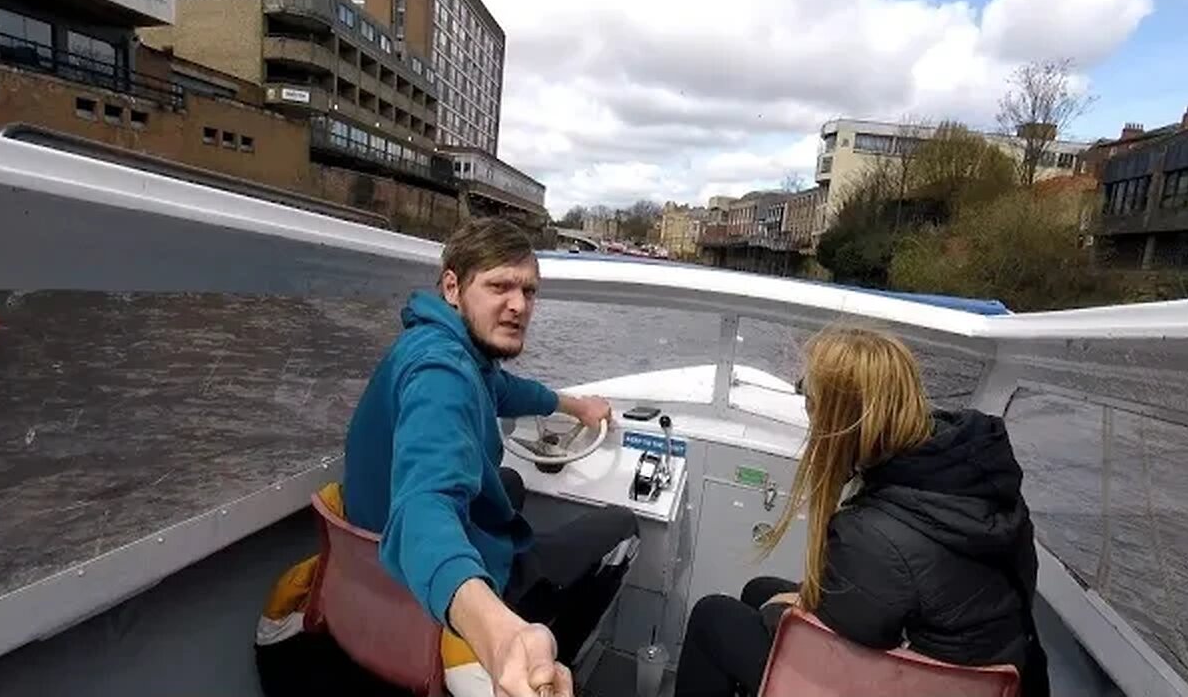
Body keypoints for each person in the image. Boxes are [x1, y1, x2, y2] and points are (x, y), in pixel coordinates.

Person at [255, 218, 638, 697]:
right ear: (453, 286)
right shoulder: (442, 374)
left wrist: (572, 405)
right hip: (433, 592)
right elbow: (423, 509)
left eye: (529, 291)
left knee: (507, 486)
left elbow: (500, 388)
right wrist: (500, 635)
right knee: (622, 527)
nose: (519, 305)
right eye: (500, 286)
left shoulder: (434, 346)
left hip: (374, 583)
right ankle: (547, 658)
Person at [673, 326, 1049, 697]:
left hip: (910, 683)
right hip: (978, 674)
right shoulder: (977, 475)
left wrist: (779, 613)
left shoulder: (872, 534)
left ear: (841, 425)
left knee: (713, 619)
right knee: (759, 589)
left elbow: (838, 641)